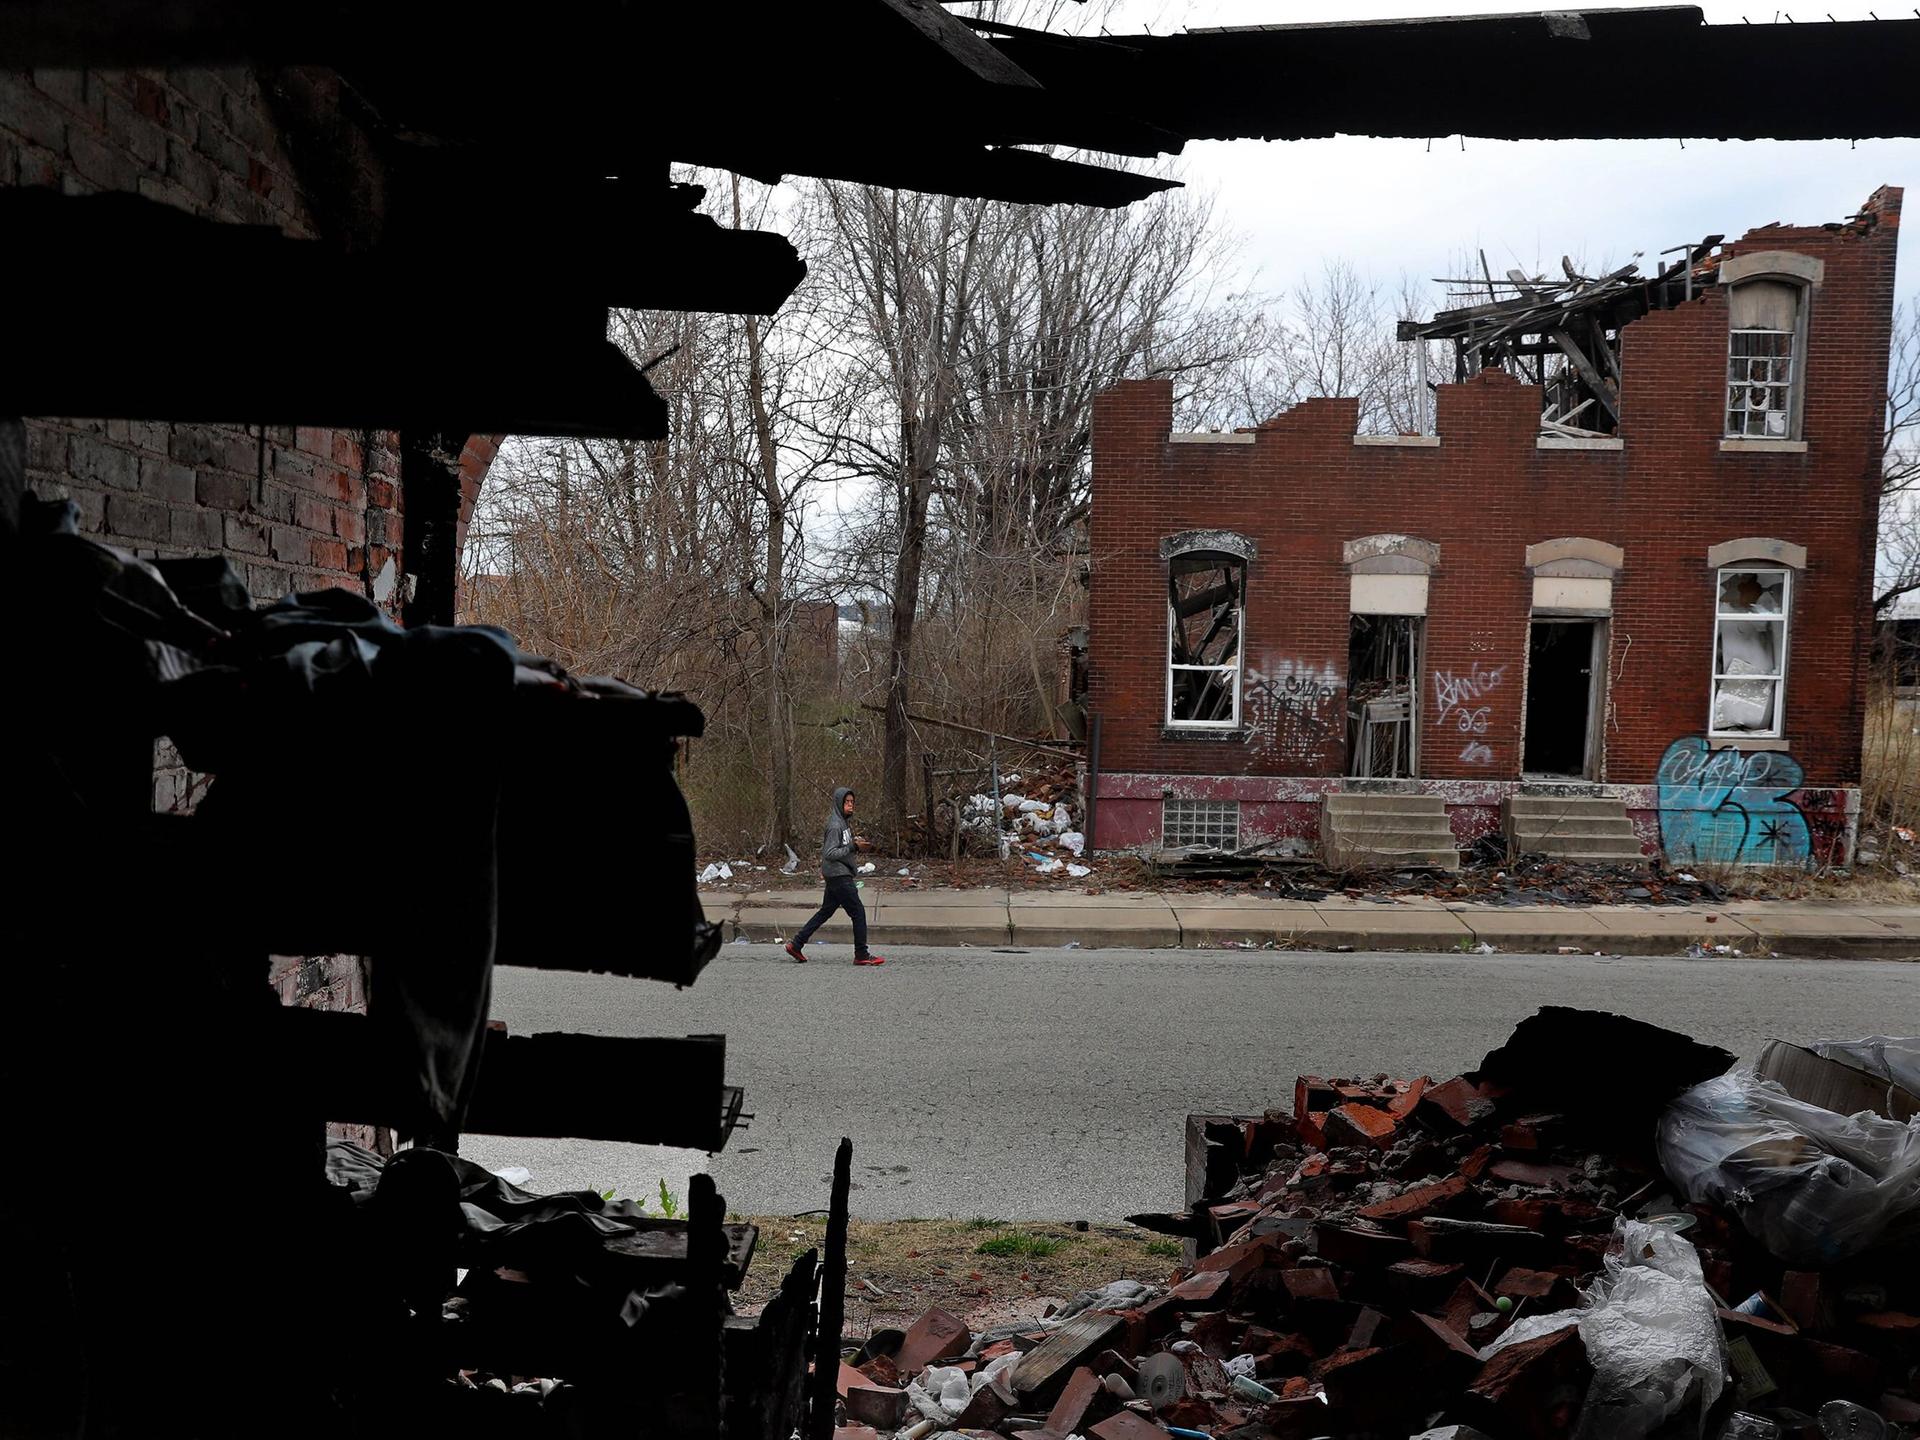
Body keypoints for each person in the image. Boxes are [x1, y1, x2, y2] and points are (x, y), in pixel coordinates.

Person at [786, 786, 888, 966]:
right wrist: (853, 847)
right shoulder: (835, 825)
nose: (850, 805)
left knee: (826, 911)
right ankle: (862, 954)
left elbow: (841, 847)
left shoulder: (843, 822)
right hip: (839, 875)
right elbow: (829, 853)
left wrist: (855, 844)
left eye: (852, 802)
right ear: (839, 803)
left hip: (836, 874)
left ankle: (796, 944)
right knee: (858, 912)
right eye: (846, 802)